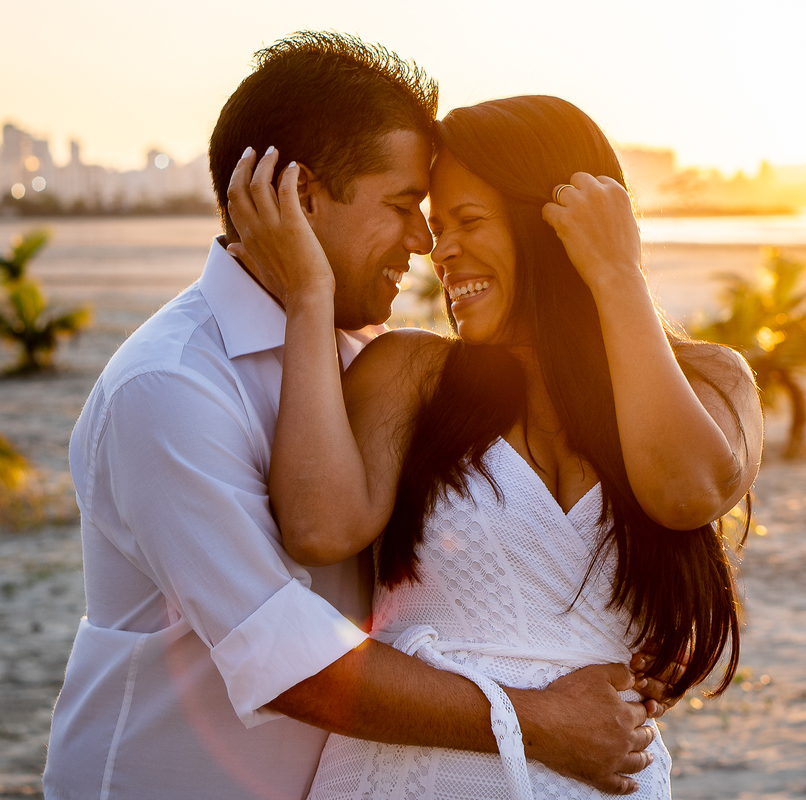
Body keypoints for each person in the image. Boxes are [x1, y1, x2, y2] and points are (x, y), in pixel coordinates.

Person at [43, 33, 671, 800]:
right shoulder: (170, 389)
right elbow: (286, 661)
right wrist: (536, 717)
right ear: (300, 199)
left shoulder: (369, 359)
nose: (425, 243)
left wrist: (599, 638)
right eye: (405, 207)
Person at [225, 94, 764, 799]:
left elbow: (684, 491)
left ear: (557, 226)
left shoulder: (712, 380)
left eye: (468, 222)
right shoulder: (412, 372)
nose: (440, 252)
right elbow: (321, 527)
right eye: (436, 225)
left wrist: (617, 275)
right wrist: (308, 295)